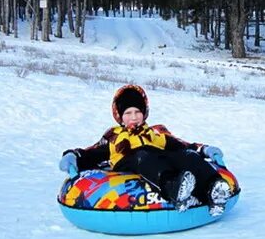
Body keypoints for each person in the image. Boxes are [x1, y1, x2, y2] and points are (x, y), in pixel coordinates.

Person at [58, 84, 232, 216]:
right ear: (119, 116)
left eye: (137, 112)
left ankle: (214, 189)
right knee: (144, 155)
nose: (133, 117)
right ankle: (174, 189)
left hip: (159, 159)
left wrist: (204, 149)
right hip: (132, 163)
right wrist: (72, 156)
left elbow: (181, 144)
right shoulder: (114, 136)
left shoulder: (155, 131)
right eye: (128, 113)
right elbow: (91, 152)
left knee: (186, 155)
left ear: (144, 113)